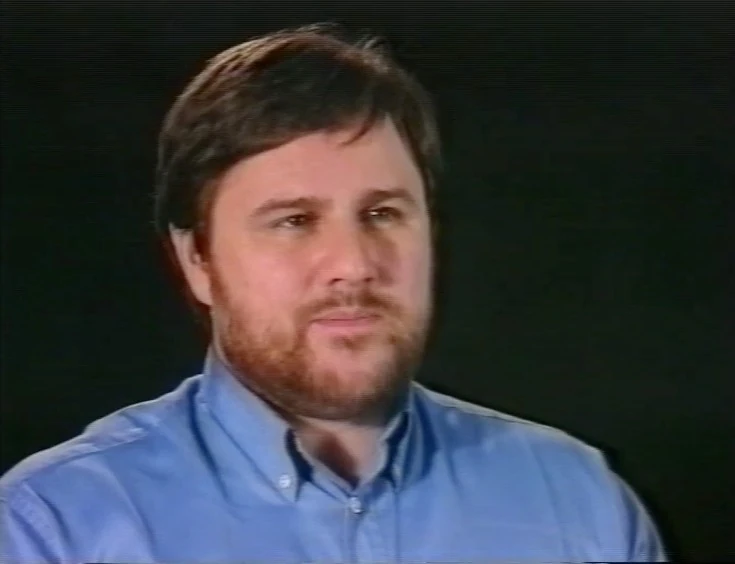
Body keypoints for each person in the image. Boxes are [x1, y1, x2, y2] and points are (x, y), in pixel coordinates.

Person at [0, 23, 667, 563]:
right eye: (294, 221)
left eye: (382, 214)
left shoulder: (579, 505)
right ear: (196, 259)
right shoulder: (57, 528)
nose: (353, 265)